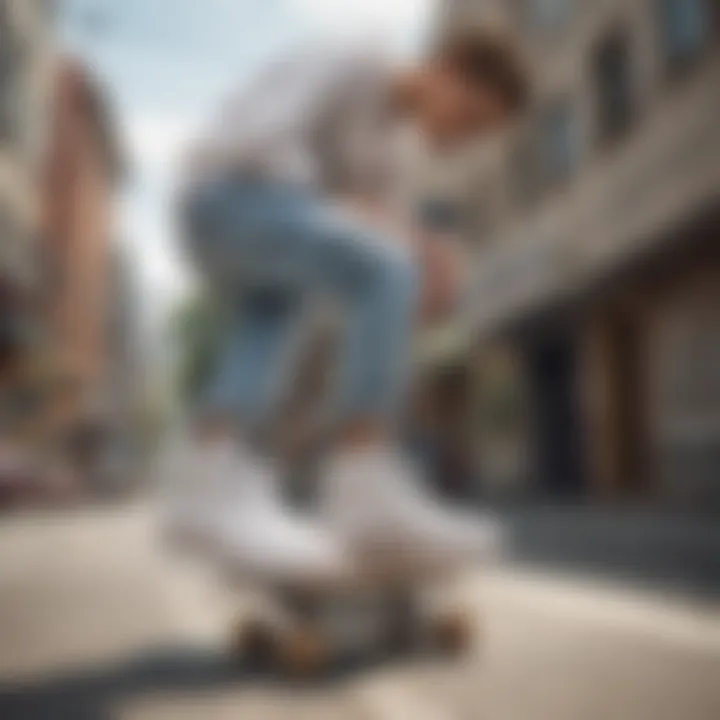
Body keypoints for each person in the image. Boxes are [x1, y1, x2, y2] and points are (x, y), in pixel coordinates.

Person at [171, 30, 529, 585]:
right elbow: (256, 140)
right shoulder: (352, 59)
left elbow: (376, 226)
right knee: (384, 270)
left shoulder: (391, 149)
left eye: (478, 134)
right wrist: (373, 231)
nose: (464, 138)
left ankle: (211, 484)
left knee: (276, 317)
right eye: (470, 115)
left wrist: (420, 248)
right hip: (222, 197)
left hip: (262, 232)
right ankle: (363, 487)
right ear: (447, 68)